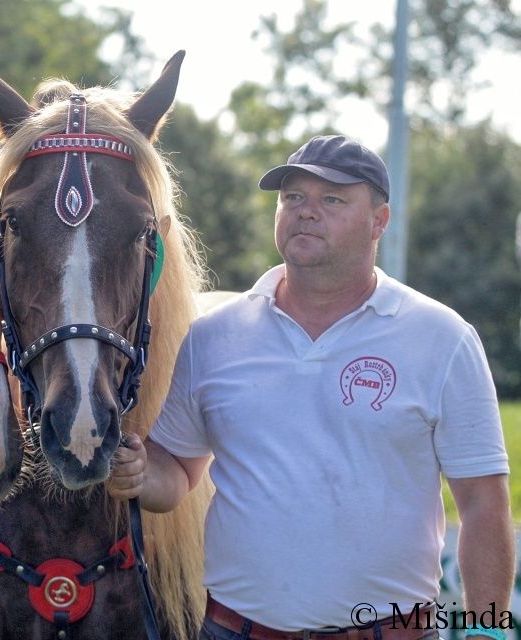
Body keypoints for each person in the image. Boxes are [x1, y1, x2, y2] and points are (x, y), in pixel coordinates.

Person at [109, 135, 514, 640]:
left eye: (332, 200)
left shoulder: (443, 338)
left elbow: (482, 503)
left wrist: (489, 631)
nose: (306, 212)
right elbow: (178, 471)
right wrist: (141, 473)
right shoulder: (214, 336)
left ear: (380, 221)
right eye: (293, 198)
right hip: (233, 630)